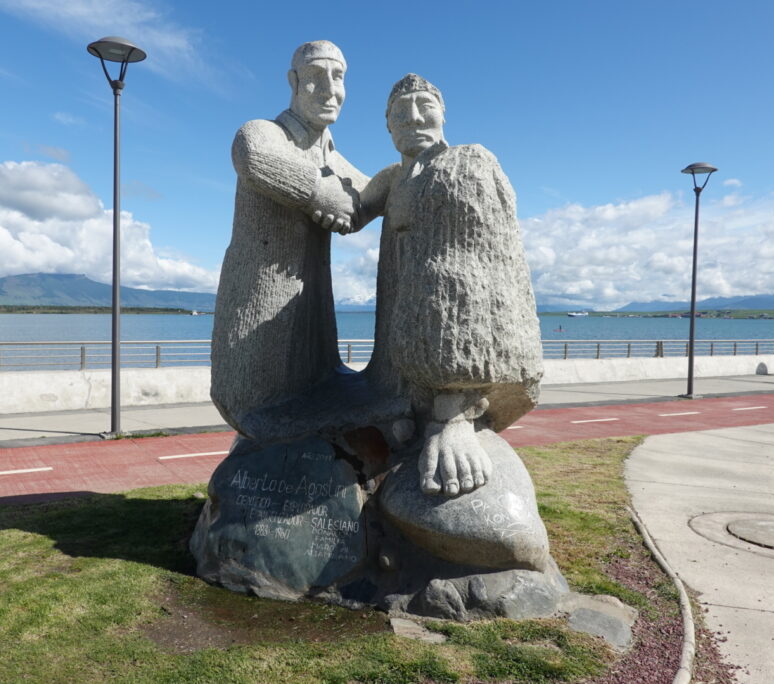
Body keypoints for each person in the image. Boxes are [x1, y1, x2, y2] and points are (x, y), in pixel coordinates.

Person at [361, 74, 544, 497]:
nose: (413, 117)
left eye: (424, 105)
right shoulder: (393, 178)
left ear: (443, 114)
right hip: (395, 360)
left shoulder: (465, 163)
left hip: (449, 367)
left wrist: (452, 407)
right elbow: (347, 207)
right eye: (400, 111)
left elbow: (470, 276)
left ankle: (454, 413)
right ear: (387, 126)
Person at [211, 41, 368, 434]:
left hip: (312, 331)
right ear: (293, 82)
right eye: (316, 77)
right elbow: (253, 156)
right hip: (257, 323)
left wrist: (415, 175)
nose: (330, 90)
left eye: (338, 77)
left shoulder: (332, 156)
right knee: (262, 407)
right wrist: (320, 192)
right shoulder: (265, 132)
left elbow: (367, 196)